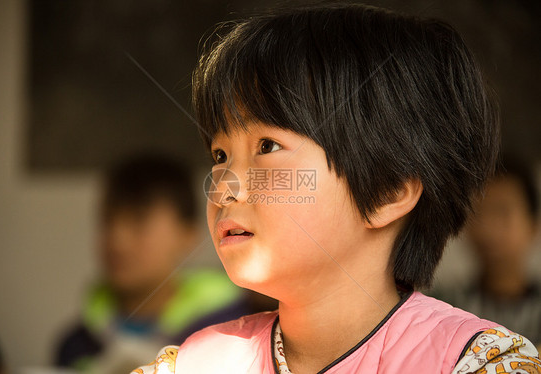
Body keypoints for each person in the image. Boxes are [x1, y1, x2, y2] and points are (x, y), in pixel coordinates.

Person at [133, 3, 540, 373]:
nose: (225, 188)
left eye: (267, 146)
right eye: (220, 156)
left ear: (388, 191)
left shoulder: (480, 363)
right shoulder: (187, 365)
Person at [55, 153, 254, 373]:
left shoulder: (236, 333)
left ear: (187, 235)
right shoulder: (75, 346)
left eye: (139, 221)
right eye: (108, 220)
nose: (118, 240)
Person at [436, 157, 541, 348]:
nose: (488, 229)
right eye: (479, 213)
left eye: (502, 213)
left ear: (533, 225)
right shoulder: (444, 308)